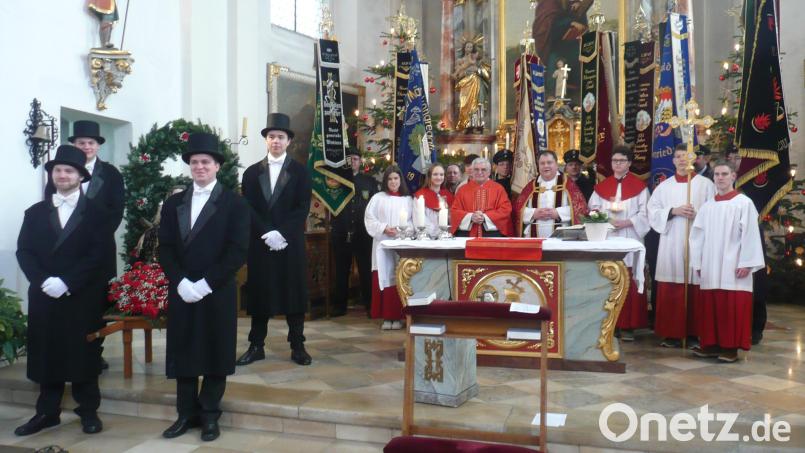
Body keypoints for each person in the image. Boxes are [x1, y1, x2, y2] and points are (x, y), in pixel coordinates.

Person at [158, 133, 249, 442]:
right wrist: (181, 281)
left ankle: (210, 415)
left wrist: (207, 282)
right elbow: (165, 248)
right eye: (194, 162)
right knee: (183, 349)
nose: (199, 167)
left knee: (214, 350)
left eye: (205, 162)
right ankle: (185, 414)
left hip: (217, 288)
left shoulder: (234, 203)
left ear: (217, 166)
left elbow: (237, 250)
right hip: (182, 288)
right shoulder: (173, 204)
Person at [16, 145, 107, 436]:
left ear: (80, 176)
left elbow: (99, 254)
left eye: (69, 170)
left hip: (81, 295)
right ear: (52, 175)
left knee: (83, 353)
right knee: (47, 352)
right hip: (44, 295)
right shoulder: (34, 212)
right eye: (58, 170)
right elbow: (24, 252)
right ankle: (47, 413)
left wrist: (67, 281)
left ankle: (88, 411)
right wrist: (43, 281)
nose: (63, 175)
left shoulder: (97, 213)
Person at [45, 120, 125, 370]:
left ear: (98, 147)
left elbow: (116, 210)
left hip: (98, 251)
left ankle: (93, 353)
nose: (87, 146)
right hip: (65, 252)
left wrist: (94, 240)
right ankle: (67, 352)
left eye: (91, 143)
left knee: (95, 303)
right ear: (74, 145)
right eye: (81, 143)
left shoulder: (111, 174)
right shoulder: (60, 173)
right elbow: (50, 204)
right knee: (67, 304)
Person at [237, 113, 313, 367]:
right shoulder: (250, 173)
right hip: (261, 243)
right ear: (266, 140)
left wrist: (282, 233)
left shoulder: (300, 172)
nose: (276, 141)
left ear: (288, 141)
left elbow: (302, 208)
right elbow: (247, 207)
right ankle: (256, 345)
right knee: (260, 294)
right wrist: (267, 233)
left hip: (290, 243)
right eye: (271, 137)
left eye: (280, 137)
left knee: (294, 293)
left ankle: (298, 345)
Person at [689, 160, 764, 362]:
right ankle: (710, 344)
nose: (720, 178)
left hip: (734, 264)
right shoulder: (708, 206)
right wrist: (697, 262)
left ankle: (730, 347)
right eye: (717, 175)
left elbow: (750, 234)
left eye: (724, 174)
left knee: (732, 306)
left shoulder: (743, 203)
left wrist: (746, 262)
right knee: (711, 304)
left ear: (733, 176)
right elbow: (697, 236)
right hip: (711, 264)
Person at [647, 145, 715, 348]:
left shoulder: (705, 185)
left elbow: (714, 209)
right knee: (672, 283)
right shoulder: (664, 187)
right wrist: (673, 211)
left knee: (695, 284)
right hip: (672, 241)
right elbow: (653, 211)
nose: (682, 160)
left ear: (693, 158)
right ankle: (672, 333)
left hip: (696, 239)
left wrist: (699, 215)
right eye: (678, 156)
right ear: (673, 161)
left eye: (686, 156)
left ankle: (695, 333)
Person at [589, 146, 650, 341]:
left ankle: (628, 326)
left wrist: (626, 222)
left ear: (629, 163)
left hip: (630, 235)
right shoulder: (602, 187)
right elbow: (593, 209)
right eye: (615, 161)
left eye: (622, 161)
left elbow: (645, 213)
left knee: (628, 278)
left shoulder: (640, 187)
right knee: (609, 278)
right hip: (608, 237)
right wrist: (603, 220)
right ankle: (610, 322)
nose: (617, 164)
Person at [330, 147, 378, 317]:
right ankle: (339, 306)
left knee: (365, 270)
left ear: (360, 161)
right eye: (349, 159)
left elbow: (375, 207)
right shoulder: (336, 180)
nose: (352, 162)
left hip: (363, 233)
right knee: (341, 271)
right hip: (341, 231)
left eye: (355, 159)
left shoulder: (369, 182)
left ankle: (370, 305)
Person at [365, 165, 413, 330]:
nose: (393, 181)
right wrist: (384, 228)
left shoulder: (408, 200)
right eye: (390, 179)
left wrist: (402, 229)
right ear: (386, 181)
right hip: (382, 244)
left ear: (401, 180)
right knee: (383, 277)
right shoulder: (378, 198)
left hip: (400, 244)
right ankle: (386, 317)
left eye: (396, 178)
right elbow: (369, 218)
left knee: (399, 278)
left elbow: (414, 222)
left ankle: (398, 317)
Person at [514, 150, 588, 238]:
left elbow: (581, 209)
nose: (546, 166)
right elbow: (517, 210)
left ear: (556, 165)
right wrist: (533, 213)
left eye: (549, 162)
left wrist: (558, 213)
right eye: (542, 163)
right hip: (533, 237)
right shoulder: (531, 187)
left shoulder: (568, 185)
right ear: (538, 166)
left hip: (562, 236)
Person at [450, 157, 513, 237]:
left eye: (483, 170)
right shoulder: (462, 189)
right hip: (467, 234)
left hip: (492, 235)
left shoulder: (498, 189)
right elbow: (455, 211)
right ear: (472, 171)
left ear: (489, 172)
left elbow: (506, 210)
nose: (480, 172)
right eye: (476, 169)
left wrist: (485, 217)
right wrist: (471, 217)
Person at [453, 41, 491, 131]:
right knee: (464, 104)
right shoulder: (460, 60)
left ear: (473, 49)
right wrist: (464, 71)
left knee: (476, 104)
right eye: (467, 47)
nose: (469, 49)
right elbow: (457, 75)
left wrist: (477, 70)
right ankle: (464, 124)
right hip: (465, 84)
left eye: (470, 47)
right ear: (464, 48)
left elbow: (485, 73)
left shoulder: (477, 61)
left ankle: (476, 124)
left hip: (475, 82)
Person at [414, 163, 455, 237]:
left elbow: (453, 219)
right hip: (426, 237)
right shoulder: (420, 196)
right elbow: (419, 219)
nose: (439, 177)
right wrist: (436, 232)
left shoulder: (448, 195)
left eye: (441, 174)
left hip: (445, 237)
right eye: (435, 174)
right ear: (429, 176)